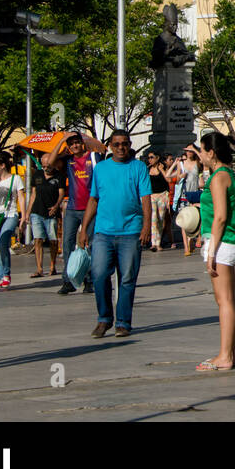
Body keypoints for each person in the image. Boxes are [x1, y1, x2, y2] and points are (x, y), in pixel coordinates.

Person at [78, 130, 152, 338]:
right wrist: (84, 229)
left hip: (130, 231)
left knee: (127, 278)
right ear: (110, 146)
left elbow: (145, 199)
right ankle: (104, 319)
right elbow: (93, 200)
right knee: (99, 274)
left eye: (125, 144)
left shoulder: (138, 167)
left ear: (129, 145)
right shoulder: (100, 169)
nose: (121, 148)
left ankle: (123, 322)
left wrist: (147, 226)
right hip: (103, 232)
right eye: (117, 144)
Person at [195, 132, 235, 370]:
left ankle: (225, 356)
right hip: (228, 241)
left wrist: (211, 250)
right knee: (228, 299)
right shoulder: (230, 175)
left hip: (221, 243)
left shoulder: (218, 178)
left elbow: (221, 216)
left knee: (224, 300)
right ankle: (228, 354)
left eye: (202, 150)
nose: (200, 155)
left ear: (211, 152)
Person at [51, 133, 97, 294]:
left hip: (90, 207)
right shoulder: (68, 161)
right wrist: (62, 141)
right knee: (67, 244)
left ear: (82, 144)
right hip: (72, 207)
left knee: (89, 244)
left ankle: (89, 280)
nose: (75, 146)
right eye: (72, 144)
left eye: (77, 143)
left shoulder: (93, 157)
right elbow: (50, 162)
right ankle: (68, 280)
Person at [0, 151, 24, 289]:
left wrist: (23, 216)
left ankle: (6, 274)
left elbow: (21, 197)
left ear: (2, 165)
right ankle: (2, 277)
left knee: (2, 241)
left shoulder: (15, 179)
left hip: (10, 214)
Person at [25, 160, 65, 277]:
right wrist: (28, 212)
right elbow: (33, 194)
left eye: (48, 165)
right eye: (43, 166)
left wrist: (56, 206)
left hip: (51, 212)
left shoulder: (59, 176)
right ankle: (39, 268)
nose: (46, 168)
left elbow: (61, 193)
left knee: (53, 240)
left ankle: (53, 266)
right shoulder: (37, 175)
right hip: (37, 211)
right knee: (38, 239)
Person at [169, 144, 202, 255]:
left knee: (198, 217)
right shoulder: (181, 164)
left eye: (191, 151)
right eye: (187, 151)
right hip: (184, 194)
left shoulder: (197, 163)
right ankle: (186, 248)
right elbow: (177, 180)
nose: (189, 152)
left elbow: (203, 160)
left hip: (195, 193)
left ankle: (192, 239)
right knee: (185, 220)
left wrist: (196, 151)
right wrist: (180, 177)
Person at [146, 150, 172, 251]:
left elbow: (168, 180)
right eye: (149, 158)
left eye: (152, 157)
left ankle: (158, 242)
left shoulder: (163, 168)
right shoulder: (147, 169)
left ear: (157, 158)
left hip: (162, 195)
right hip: (152, 195)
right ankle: (153, 243)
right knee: (153, 219)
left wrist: (161, 170)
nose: (150, 160)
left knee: (161, 218)